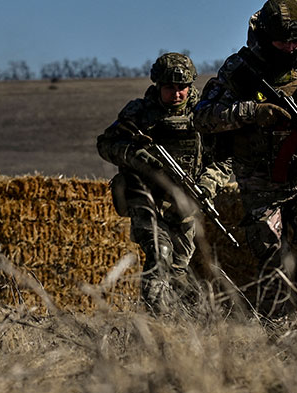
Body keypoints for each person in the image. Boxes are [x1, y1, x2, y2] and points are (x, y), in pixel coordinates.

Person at [193, 0, 297, 314]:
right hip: (259, 179)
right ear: (267, 35)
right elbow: (203, 116)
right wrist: (251, 112)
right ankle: (276, 323)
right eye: (283, 41)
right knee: (270, 253)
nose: (291, 47)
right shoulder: (240, 69)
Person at [96, 52, 231, 311]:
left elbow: (224, 161)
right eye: (170, 87)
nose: (177, 93)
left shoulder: (204, 115)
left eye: (182, 88)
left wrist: (206, 186)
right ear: (158, 86)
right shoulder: (139, 112)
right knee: (160, 255)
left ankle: (196, 317)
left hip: (185, 203)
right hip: (145, 198)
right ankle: (155, 323)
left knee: (178, 272)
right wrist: (137, 157)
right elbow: (106, 144)